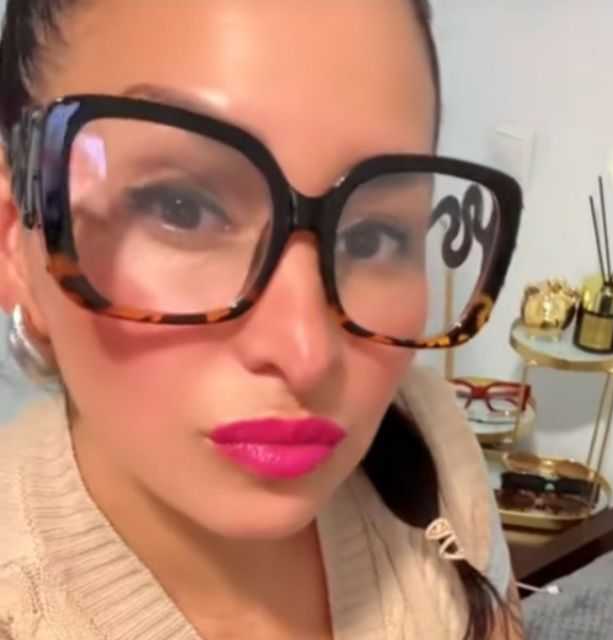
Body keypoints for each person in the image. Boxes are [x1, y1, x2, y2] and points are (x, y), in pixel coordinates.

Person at [0, 1, 524, 638]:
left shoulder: (432, 440)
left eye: (372, 238)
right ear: (15, 241)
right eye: (182, 208)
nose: (307, 354)